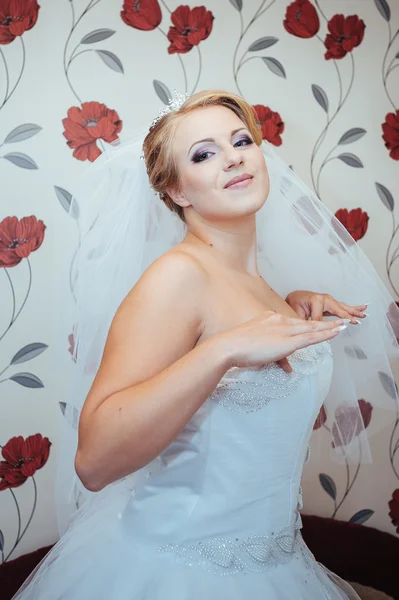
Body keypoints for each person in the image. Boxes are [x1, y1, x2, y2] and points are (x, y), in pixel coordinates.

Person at [11, 90, 399, 599]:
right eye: (203, 153)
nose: (233, 156)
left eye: (241, 141)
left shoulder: (264, 286)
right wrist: (223, 350)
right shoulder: (177, 276)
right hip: (180, 573)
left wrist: (290, 308)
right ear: (177, 191)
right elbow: (94, 461)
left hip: (277, 563)